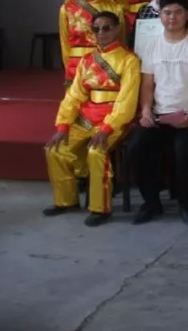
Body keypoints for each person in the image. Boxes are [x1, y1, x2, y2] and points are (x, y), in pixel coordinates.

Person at [128, 0, 188, 226]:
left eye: (177, 12)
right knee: (136, 145)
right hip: (160, 116)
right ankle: (151, 203)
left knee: (183, 149)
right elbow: (147, 84)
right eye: (167, 13)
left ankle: (186, 204)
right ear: (160, 16)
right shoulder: (153, 46)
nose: (172, 17)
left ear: (186, 15)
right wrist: (146, 111)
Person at [44, 12, 138, 227]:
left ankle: (100, 208)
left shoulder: (129, 60)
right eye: (96, 29)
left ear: (117, 29)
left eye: (106, 28)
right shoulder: (86, 60)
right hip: (86, 118)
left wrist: (106, 128)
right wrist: (63, 125)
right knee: (55, 149)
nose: (101, 33)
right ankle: (66, 201)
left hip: (114, 120)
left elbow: (127, 101)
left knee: (96, 152)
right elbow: (74, 96)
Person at [59, 0, 127, 86]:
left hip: (106, 64)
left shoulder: (114, 7)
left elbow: (121, 40)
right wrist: (68, 66)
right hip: (76, 64)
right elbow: (65, 44)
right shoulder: (67, 9)